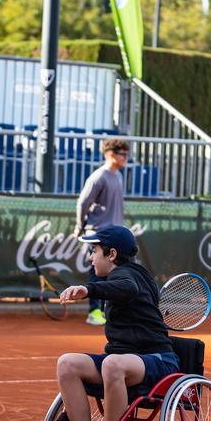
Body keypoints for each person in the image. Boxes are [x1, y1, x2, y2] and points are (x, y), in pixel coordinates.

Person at [50, 225, 179, 421]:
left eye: (93, 251)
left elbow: (126, 288)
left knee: (112, 364)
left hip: (158, 362)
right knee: (67, 364)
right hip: (121, 361)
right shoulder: (119, 275)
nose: (90, 258)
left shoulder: (130, 275)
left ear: (111, 254)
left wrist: (89, 290)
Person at [74, 137, 130, 327]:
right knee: (97, 271)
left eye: (126, 154)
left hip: (114, 234)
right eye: (122, 154)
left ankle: (108, 311)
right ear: (110, 154)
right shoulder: (99, 176)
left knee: (113, 272)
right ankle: (94, 311)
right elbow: (83, 202)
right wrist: (79, 226)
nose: (126, 157)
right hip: (99, 233)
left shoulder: (118, 176)